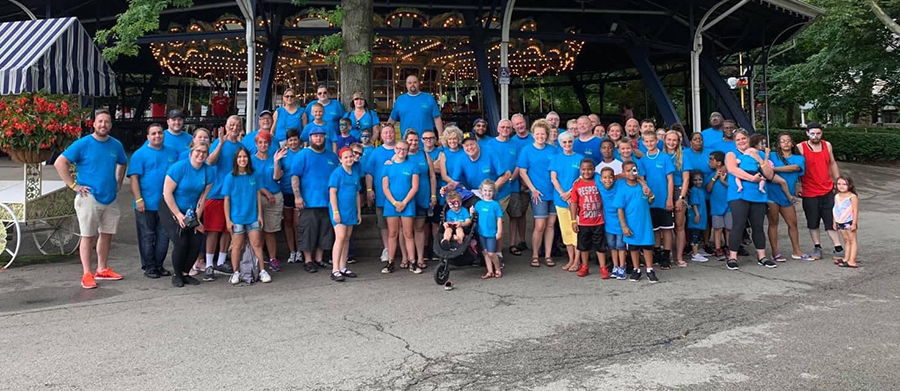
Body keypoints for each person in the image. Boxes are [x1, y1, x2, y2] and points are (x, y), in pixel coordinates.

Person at [55, 110, 128, 289]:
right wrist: (73, 185)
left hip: (109, 197)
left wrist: (118, 182)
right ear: (94, 124)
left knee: (107, 234)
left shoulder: (116, 145)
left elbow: (123, 162)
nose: (103, 125)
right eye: (100, 121)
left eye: (107, 122)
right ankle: (87, 273)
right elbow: (60, 162)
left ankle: (102, 269)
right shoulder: (83, 144)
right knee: (88, 236)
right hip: (89, 196)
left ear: (111, 125)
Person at [128, 123, 179, 279]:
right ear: (148, 137)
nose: (157, 136)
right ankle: (149, 266)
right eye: (154, 134)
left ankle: (159, 265)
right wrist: (139, 199)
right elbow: (134, 178)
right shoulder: (140, 154)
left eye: (159, 133)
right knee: (147, 236)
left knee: (164, 237)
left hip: (166, 203)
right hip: (146, 203)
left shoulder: (172, 153)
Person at [160, 141, 214, 287]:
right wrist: (178, 214)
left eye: (204, 152)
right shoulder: (179, 168)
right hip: (171, 206)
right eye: (198, 151)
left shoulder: (209, 171)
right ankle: (177, 274)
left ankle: (185, 272)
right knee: (181, 241)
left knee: (196, 240)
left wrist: (196, 219)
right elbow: (167, 193)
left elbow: (203, 198)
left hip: (191, 210)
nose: (200, 155)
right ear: (191, 152)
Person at [724, 129, 776, 270]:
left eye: (744, 138)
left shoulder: (758, 153)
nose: (741, 141)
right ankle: (732, 257)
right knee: (738, 225)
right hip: (739, 194)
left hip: (758, 196)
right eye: (738, 139)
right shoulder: (731, 154)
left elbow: (769, 175)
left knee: (758, 226)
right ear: (735, 142)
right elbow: (733, 170)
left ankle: (762, 256)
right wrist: (751, 178)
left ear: (748, 139)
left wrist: (759, 159)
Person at [292, 127, 340, 273]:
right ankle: (308, 260)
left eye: (321, 136)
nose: (318, 138)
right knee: (308, 231)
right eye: (315, 136)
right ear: (310, 138)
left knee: (325, 231)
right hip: (309, 202)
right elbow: (295, 176)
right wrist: (297, 196)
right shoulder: (303, 155)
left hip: (328, 201)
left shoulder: (331, 156)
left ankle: (319, 259)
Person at [224, 147, 272, 284]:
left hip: (252, 216)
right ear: (235, 160)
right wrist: (228, 220)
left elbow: (258, 196)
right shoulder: (230, 177)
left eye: (244, 157)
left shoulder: (254, 175)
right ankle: (236, 272)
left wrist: (260, 215)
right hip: (237, 217)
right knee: (237, 246)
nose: (242, 159)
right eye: (239, 157)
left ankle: (262, 270)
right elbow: (226, 199)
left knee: (257, 244)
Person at [204, 115, 243, 281]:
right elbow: (210, 162)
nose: (235, 127)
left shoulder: (241, 146)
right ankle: (208, 265)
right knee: (213, 230)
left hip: (234, 194)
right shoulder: (218, 143)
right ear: (226, 126)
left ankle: (221, 261)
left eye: (238, 125)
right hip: (217, 193)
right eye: (232, 124)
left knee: (229, 229)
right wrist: (220, 143)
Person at [797, 122, 844, 261]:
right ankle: (817, 247)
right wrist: (797, 186)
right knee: (813, 221)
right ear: (807, 133)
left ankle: (838, 247)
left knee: (830, 220)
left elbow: (832, 163)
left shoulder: (827, 145)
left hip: (827, 188)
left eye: (818, 133)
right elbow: (796, 167)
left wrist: (838, 181)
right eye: (812, 133)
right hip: (809, 191)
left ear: (822, 133)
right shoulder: (800, 147)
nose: (815, 136)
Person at [518, 120, 557, 268]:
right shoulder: (527, 150)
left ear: (547, 134)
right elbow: (522, 171)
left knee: (551, 225)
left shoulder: (553, 150)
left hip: (553, 192)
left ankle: (547, 255)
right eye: (538, 134)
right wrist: (532, 189)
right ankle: (535, 254)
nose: (540, 136)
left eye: (543, 134)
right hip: (538, 193)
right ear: (533, 134)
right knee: (540, 225)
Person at [637, 130, 676, 269]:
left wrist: (670, 198)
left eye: (651, 141)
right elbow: (642, 179)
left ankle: (667, 255)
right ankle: (658, 253)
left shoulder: (664, 158)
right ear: (643, 143)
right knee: (655, 229)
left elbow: (670, 180)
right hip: (651, 201)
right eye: (646, 141)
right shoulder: (643, 160)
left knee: (667, 229)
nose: (649, 143)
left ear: (657, 141)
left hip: (664, 198)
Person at [767, 133, 807, 262]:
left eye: (788, 141)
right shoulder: (772, 156)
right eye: (782, 141)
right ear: (778, 144)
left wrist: (773, 169)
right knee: (773, 223)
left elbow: (794, 168)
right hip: (771, 194)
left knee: (793, 223)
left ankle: (797, 250)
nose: (786, 143)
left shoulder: (799, 158)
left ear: (792, 143)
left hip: (787, 197)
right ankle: (775, 252)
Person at [615, 161, 658, 283]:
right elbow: (620, 209)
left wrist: (650, 194)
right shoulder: (622, 188)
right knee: (633, 247)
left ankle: (650, 269)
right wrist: (624, 226)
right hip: (631, 223)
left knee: (647, 246)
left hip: (644, 223)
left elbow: (650, 201)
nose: (631, 173)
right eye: (627, 170)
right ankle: (636, 269)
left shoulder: (643, 186)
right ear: (623, 172)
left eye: (633, 170)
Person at [382, 140, 420, 274]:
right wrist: (395, 203)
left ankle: (412, 262)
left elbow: (415, 187)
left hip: (408, 203)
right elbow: (385, 188)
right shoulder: (387, 166)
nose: (401, 151)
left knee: (408, 233)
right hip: (391, 204)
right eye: (398, 149)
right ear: (394, 149)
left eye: (404, 149)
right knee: (392, 233)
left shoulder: (413, 166)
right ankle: (390, 262)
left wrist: (404, 202)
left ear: (407, 150)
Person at [251, 131, 287, 272]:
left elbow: (277, 177)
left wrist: (276, 162)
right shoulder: (251, 160)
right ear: (256, 144)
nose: (263, 145)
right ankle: (256, 259)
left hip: (275, 197)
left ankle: (272, 259)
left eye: (265, 142)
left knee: (270, 231)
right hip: (258, 197)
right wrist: (266, 193)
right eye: (260, 142)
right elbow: (253, 181)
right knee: (256, 231)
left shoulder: (275, 158)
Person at [549, 132, 585, 269]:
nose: (567, 144)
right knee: (566, 231)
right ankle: (570, 259)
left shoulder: (579, 158)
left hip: (575, 199)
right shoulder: (556, 158)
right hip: (560, 199)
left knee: (576, 229)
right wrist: (562, 193)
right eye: (564, 142)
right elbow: (554, 178)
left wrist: (570, 192)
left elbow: (581, 178)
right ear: (560, 143)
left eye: (570, 142)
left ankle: (577, 260)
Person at [569, 158, 609, 279]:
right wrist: (573, 220)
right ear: (580, 170)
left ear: (594, 169)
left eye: (590, 169)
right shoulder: (577, 184)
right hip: (583, 221)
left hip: (598, 220)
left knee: (600, 246)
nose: (587, 172)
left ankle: (603, 268)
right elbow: (574, 203)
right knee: (583, 246)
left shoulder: (598, 180)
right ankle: (584, 266)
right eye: (584, 169)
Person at [366, 125, 400, 264]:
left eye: (391, 132)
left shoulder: (401, 150)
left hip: (400, 194)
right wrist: (369, 190)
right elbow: (369, 172)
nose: (389, 135)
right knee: (383, 225)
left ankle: (401, 249)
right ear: (381, 135)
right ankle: (387, 248)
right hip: (382, 195)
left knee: (401, 224)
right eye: (385, 133)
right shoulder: (375, 152)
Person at [328, 147, 361, 282]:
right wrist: (336, 211)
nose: (349, 159)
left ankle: (343, 266)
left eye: (350, 157)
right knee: (340, 237)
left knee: (347, 238)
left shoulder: (355, 174)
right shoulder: (337, 173)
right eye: (345, 157)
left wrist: (358, 212)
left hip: (351, 210)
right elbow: (332, 193)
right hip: (339, 211)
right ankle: (335, 269)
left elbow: (357, 194)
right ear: (340, 159)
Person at [406, 129, 437, 270]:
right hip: (406, 200)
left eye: (415, 140)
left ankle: (420, 258)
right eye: (410, 140)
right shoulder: (401, 155)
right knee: (405, 230)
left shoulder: (425, 155)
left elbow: (432, 176)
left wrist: (433, 195)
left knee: (419, 229)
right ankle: (407, 258)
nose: (413, 143)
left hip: (422, 197)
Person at [663, 130, 692, 268]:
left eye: (674, 140)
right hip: (664, 190)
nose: (671, 143)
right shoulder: (661, 155)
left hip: (679, 189)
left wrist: (681, 198)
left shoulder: (683, 156)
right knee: (665, 226)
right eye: (669, 140)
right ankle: (666, 254)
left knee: (679, 225)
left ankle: (679, 256)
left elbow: (686, 179)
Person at [508, 113, 533, 254]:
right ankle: (521, 240)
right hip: (519, 184)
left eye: (521, 122)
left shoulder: (534, 137)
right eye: (516, 124)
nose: (520, 125)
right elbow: (517, 164)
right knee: (518, 213)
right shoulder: (513, 142)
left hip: (535, 182)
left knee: (538, 215)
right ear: (513, 126)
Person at [598, 167, 627, 279]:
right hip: (608, 223)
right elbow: (588, 173)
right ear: (601, 179)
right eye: (605, 177)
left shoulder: (619, 184)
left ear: (614, 178)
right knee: (612, 246)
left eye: (610, 177)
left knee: (621, 245)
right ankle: (615, 266)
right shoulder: (600, 184)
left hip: (620, 221)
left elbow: (632, 176)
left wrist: (620, 175)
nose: (608, 180)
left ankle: (622, 267)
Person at [280, 129, 304, 264]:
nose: (293, 142)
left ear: (299, 140)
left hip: (299, 192)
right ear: (287, 142)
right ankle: (292, 252)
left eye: (295, 139)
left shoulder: (303, 153)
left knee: (297, 223)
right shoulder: (284, 154)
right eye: (290, 140)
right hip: (286, 190)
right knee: (288, 222)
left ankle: (300, 250)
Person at [475, 180, 504, 279]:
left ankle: (498, 268)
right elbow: (474, 217)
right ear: (481, 191)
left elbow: (499, 219)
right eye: (485, 190)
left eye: (490, 191)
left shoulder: (495, 205)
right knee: (485, 253)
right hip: (481, 232)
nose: (487, 193)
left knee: (492, 253)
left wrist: (499, 231)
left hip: (491, 233)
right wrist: (471, 212)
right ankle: (490, 271)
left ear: (494, 192)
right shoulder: (478, 204)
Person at [706, 151, 732, 261]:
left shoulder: (729, 174)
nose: (709, 161)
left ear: (719, 162)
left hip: (728, 205)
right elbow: (708, 189)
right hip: (716, 205)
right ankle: (718, 248)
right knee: (717, 228)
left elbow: (733, 187)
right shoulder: (710, 174)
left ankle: (729, 247)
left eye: (712, 159)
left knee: (729, 228)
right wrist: (714, 178)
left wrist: (723, 181)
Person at [832, 176, 858, 268]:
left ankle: (852, 260)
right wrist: (834, 221)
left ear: (849, 185)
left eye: (844, 184)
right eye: (839, 184)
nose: (841, 186)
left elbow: (855, 210)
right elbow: (836, 209)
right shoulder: (837, 196)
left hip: (849, 221)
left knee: (852, 240)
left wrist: (854, 223)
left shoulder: (852, 197)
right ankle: (846, 258)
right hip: (840, 221)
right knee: (846, 240)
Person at [687, 170, 709, 262]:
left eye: (700, 180)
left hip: (701, 215)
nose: (698, 182)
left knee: (698, 234)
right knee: (695, 235)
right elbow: (694, 204)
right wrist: (697, 214)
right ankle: (695, 254)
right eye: (695, 180)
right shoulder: (694, 191)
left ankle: (697, 251)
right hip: (696, 216)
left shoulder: (700, 190)